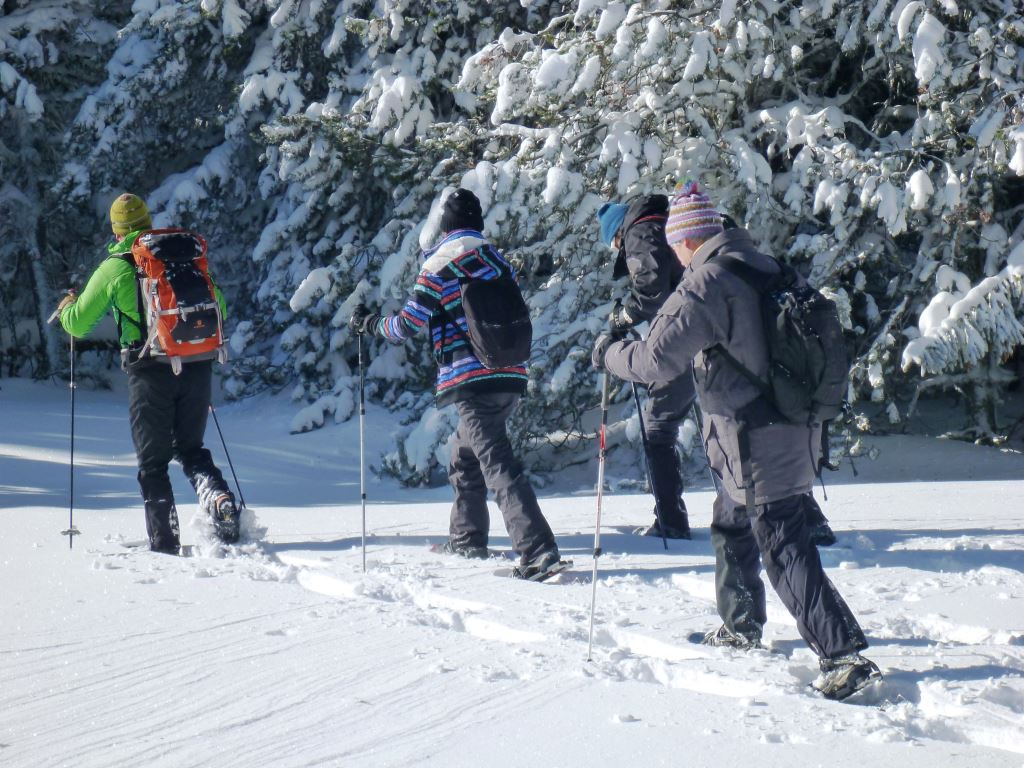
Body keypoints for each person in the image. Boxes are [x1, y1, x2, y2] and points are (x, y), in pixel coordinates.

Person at [591, 181, 880, 700]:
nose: (674, 253)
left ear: (686, 240)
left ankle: (843, 656)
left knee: (783, 543)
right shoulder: (766, 267)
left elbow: (656, 361)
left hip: (754, 437)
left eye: (676, 243)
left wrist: (609, 351)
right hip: (792, 425)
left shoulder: (705, 284)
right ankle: (740, 622)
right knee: (731, 520)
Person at [350, 188, 563, 580]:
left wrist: (369, 325)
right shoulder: (496, 259)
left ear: (444, 226)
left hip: (472, 378)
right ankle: (467, 538)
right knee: (463, 455)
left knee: (496, 462)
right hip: (510, 373)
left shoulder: (440, 263)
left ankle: (536, 550)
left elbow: (407, 325)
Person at [57, 193, 238, 554]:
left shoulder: (116, 267)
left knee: (152, 463)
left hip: (149, 369)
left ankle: (165, 544)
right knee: (191, 449)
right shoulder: (183, 257)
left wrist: (66, 307)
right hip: (197, 362)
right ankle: (219, 500)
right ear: (148, 221)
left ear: (115, 227)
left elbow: (78, 324)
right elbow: (221, 306)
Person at [596, 195, 693, 539]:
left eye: (616, 246)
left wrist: (624, 318)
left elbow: (652, 292)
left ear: (618, 235)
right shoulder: (665, 226)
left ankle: (671, 520)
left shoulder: (641, 231)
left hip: (686, 341)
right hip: (706, 337)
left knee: (658, 431)